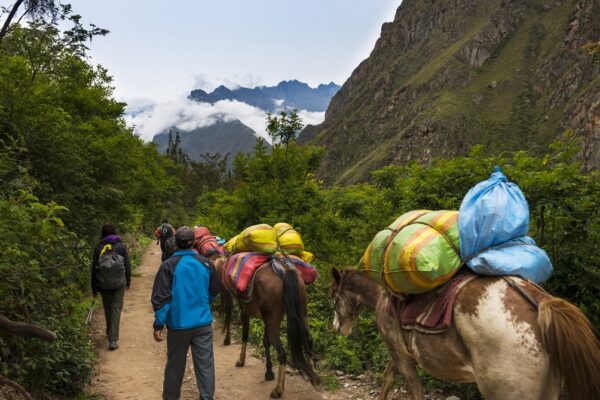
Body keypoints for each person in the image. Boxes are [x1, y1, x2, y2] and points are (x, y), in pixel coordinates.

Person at [151, 226, 220, 400]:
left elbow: (161, 298)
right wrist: (203, 304)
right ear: (194, 243)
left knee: (175, 365)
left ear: (176, 243)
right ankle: (206, 397)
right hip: (203, 324)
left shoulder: (168, 265)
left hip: (178, 325)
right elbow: (214, 290)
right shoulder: (206, 264)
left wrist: (159, 323)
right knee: (205, 365)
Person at [91, 223, 131, 350]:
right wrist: (128, 280)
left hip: (103, 284)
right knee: (116, 308)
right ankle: (113, 339)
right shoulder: (121, 246)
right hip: (119, 283)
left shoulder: (98, 248)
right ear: (114, 232)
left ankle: (110, 332)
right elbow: (127, 265)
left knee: (108, 308)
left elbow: (94, 269)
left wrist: (94, 287)